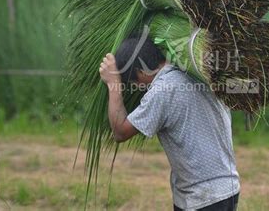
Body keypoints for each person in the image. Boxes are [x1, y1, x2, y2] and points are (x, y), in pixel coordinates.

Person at [99, 35, 240, 211]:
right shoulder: (197, 71)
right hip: (228, 186)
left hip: (203, 197)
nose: (135, 87)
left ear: (141, 71)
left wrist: (114, 83)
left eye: (133, 81)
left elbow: (120, 131)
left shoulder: (163, 90)